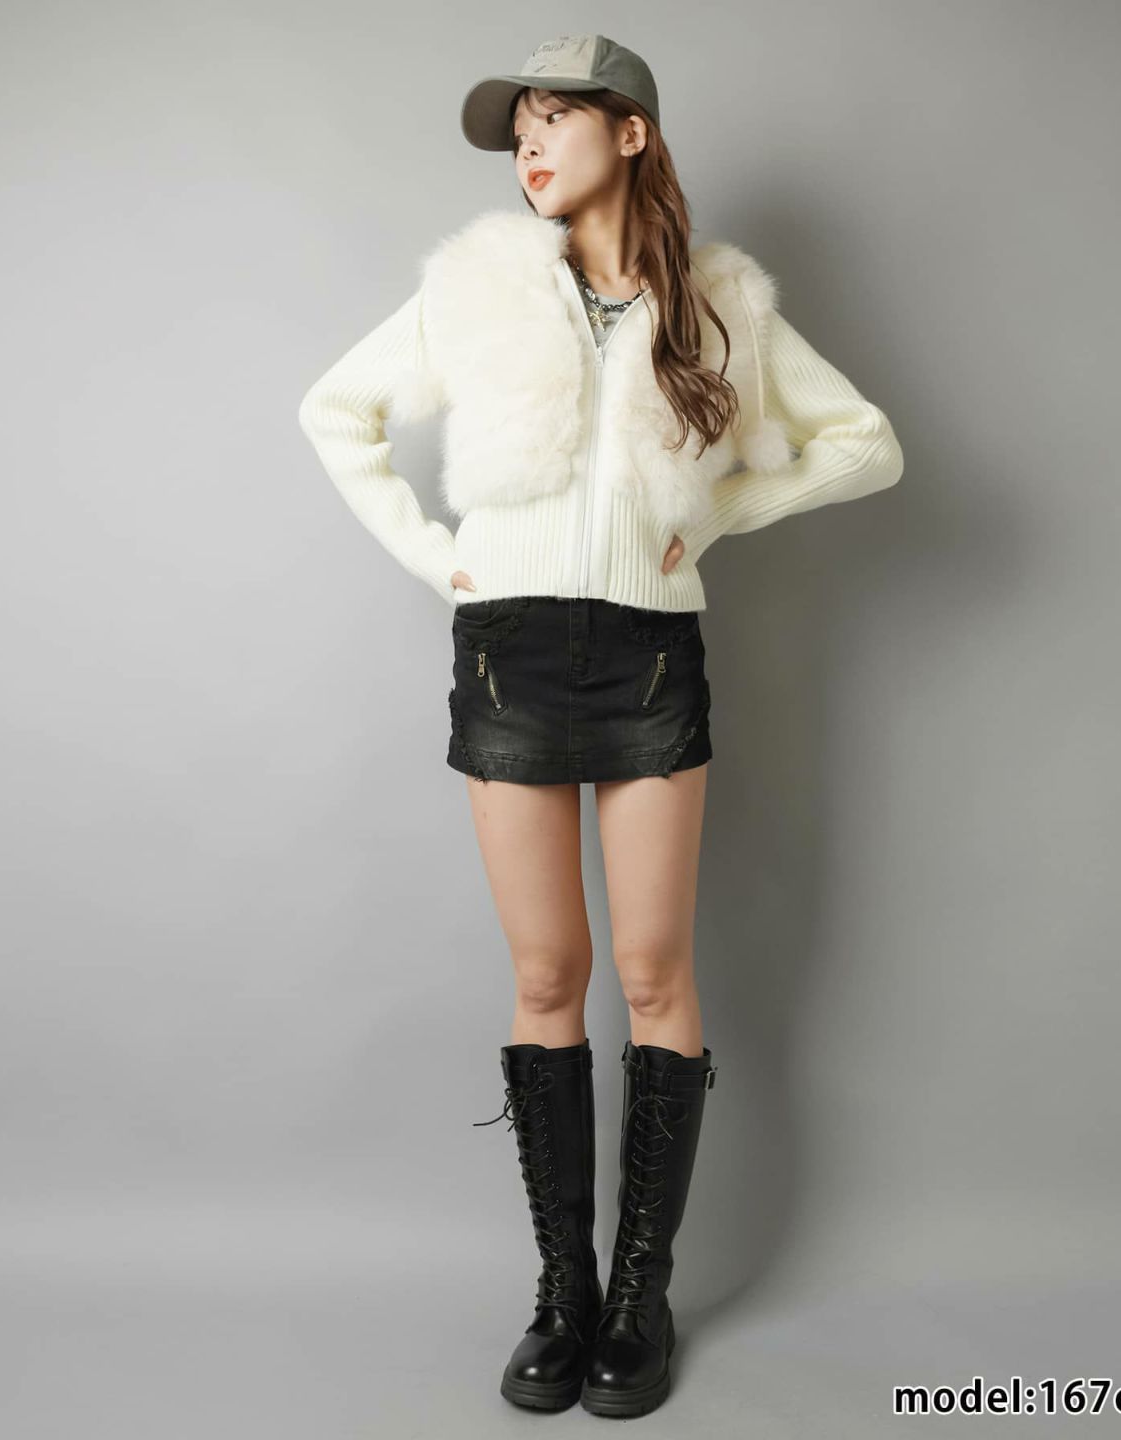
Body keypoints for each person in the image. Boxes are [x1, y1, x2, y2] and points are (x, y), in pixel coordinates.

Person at [297, 33, 904, 1419]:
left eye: (554, 117)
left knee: (652, 972)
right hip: (509, 652)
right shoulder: (477, 286)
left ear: (630, 132)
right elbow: (337, 410)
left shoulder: (720, 303)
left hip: (646, 658)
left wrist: (715, 514)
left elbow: (865, 441)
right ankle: (560, 1293)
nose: (527, 143)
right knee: (546, 974)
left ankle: (641, 1296)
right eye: (516, 126)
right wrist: (439, 555)